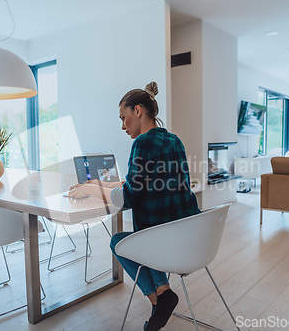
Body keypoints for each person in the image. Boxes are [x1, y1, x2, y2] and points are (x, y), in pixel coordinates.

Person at [68, 81, 200, 331]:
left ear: (138, 111)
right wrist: (103, 186)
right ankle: (162, 294)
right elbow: (146, 184)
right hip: (189, 236)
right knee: (148, 231)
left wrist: (93, 190)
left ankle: (158, 299)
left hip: (162, 242)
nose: (122, 126)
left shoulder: (141, 143)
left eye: (123, 117)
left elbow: (130, 197)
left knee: (118, 241)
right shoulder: (174, 140)